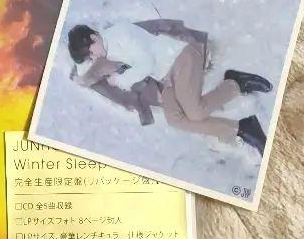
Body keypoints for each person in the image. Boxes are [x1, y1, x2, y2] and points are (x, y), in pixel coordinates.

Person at [66, 20, 269, 154]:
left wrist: (120, 81)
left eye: (90, 52)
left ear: (94, 37)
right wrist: (83, 74)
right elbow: (85, 69)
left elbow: (147, 63)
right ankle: (242, 128)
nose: (94, 58)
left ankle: (235, 83)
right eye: (89, 57)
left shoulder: (120, 34)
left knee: (196, 112)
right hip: (167, 76)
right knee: (175, 119)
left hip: (181, 57)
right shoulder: (108, 48)